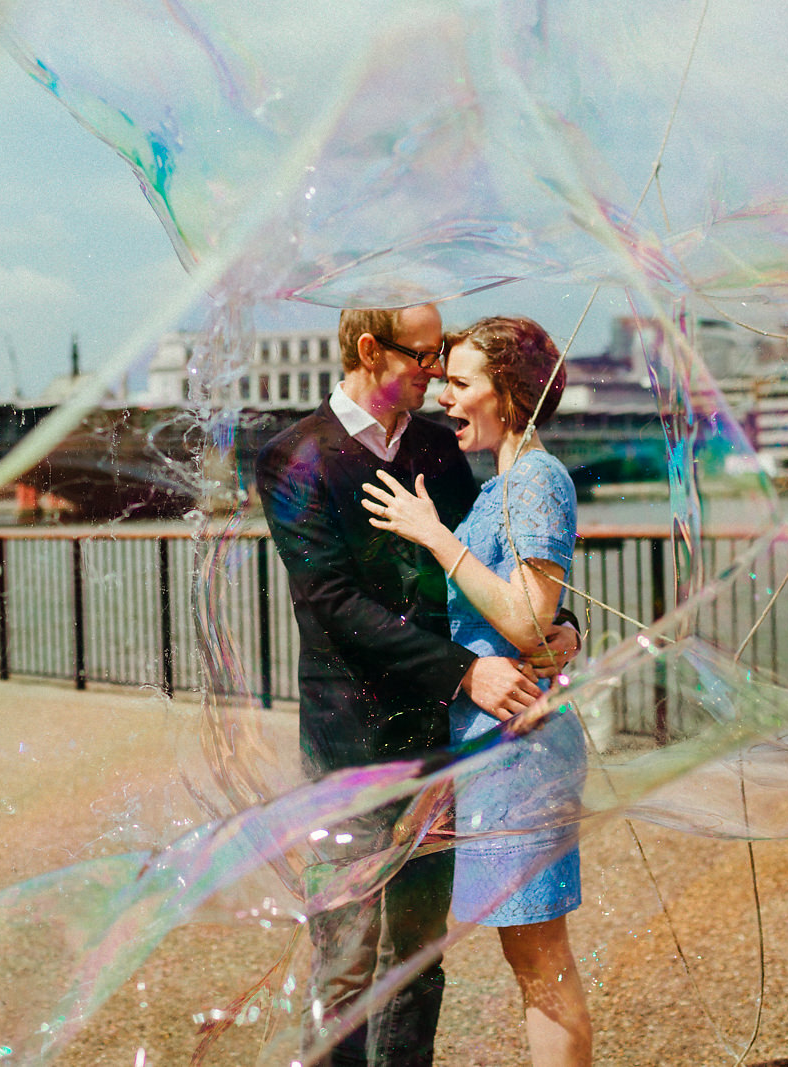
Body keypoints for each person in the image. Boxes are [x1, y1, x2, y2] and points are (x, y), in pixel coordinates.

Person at [255, 303, 576, 1067]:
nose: (438, 377)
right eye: (426, 357)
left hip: (443, 738)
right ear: (370, 350)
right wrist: (467, 672)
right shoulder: (294, 455)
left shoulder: (440, 444)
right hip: (352, 747)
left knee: (417, 961)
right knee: (346, 964)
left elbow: (503, 571)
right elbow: (330, 602)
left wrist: (561, 633)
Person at [361, 315, 592, 1066]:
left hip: (521, 746)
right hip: (494, 744)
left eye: (461, 383)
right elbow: (535, 617)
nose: (446, 398)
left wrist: (435, 535)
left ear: (510, 393)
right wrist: (567, 633)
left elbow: (529, 617)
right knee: (528, 960)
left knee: (540, 961)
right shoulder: (504, 481)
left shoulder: (535, 477)